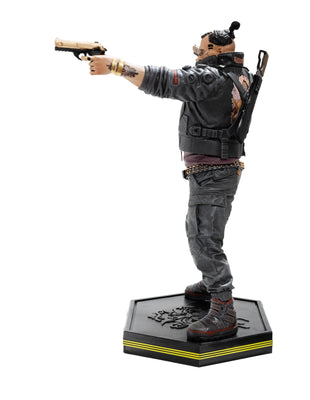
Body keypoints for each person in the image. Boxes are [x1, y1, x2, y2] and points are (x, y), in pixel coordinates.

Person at [89, 21, 253, 341]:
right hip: (216, 169)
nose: (197, 55)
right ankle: (210, 283)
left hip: (212, 172)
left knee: (203, 238)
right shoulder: (237, 72)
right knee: (206, 231)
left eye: (200, 51)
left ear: (215, 51)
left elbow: (165, 81)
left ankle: (223, 309)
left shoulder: (211, 77)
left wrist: (116, 66)